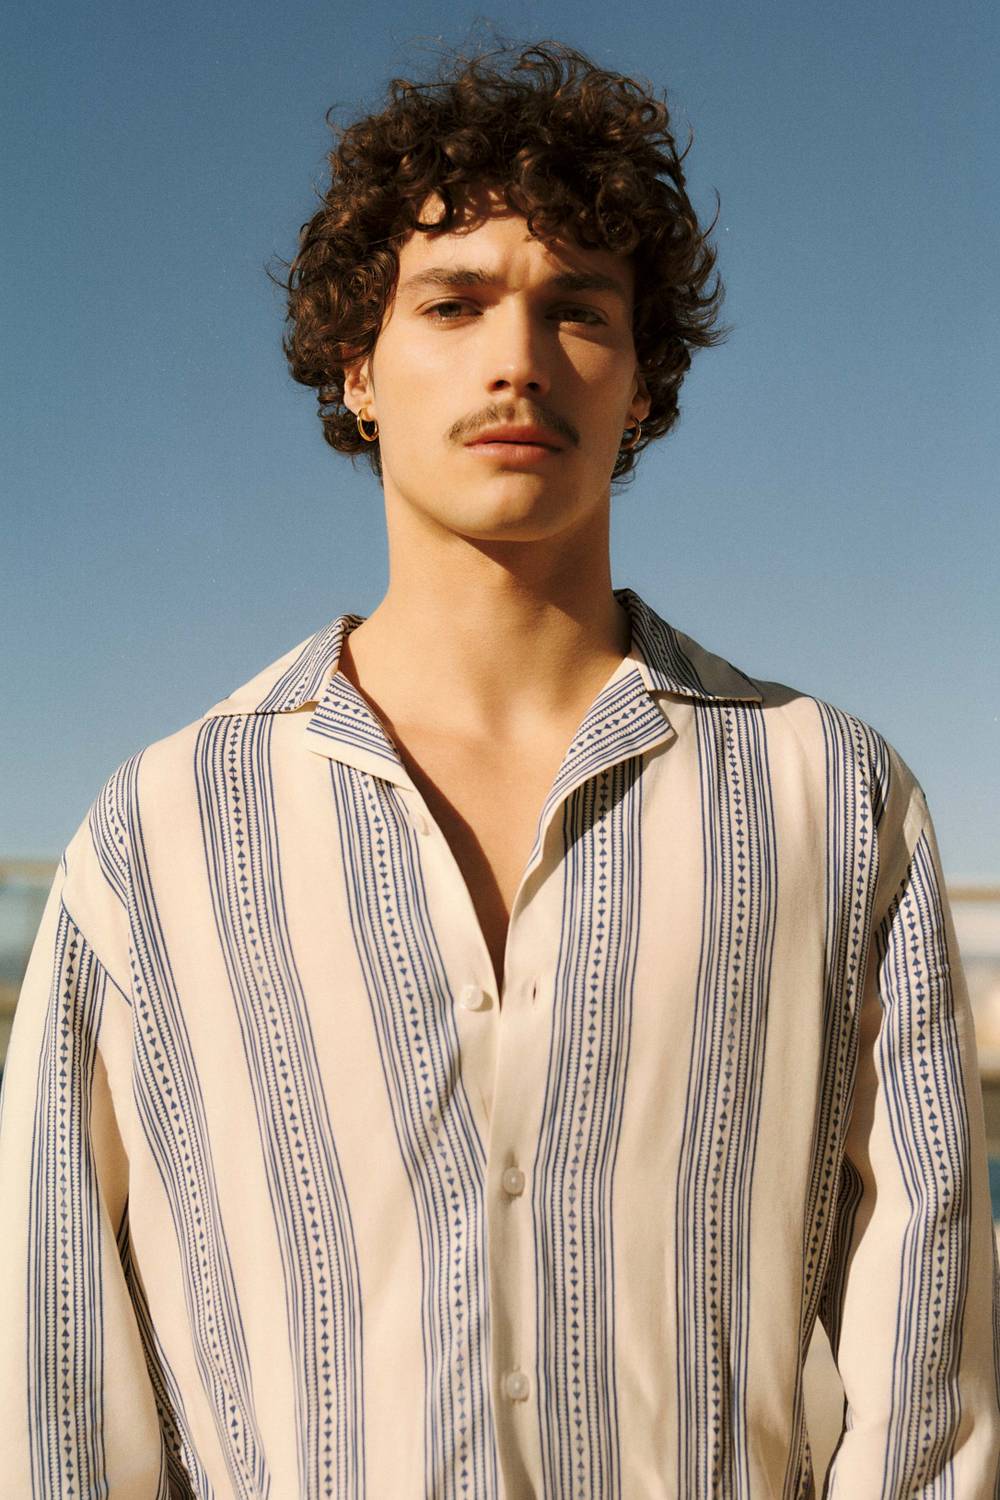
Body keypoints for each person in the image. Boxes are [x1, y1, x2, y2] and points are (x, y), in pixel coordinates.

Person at [1, 38, 997, 1500]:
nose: (516, 359)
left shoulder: (829, 800)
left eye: (577, 311)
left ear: (642, 379)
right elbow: (57, 1375)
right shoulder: (160, 833)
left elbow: (934, 1373)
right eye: (453, 304)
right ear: (359, 367)